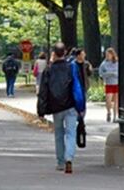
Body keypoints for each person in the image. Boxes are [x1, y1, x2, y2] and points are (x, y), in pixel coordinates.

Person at [37, 43, 86, 174]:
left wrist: (41, 110)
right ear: (64, 52)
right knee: (71, 133)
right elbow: (77, 87)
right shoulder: (72, 67)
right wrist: (81, 106)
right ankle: (69, 158)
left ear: (53, 53)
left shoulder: (48, 70)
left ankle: (60, 162)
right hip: (70, 106)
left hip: (56, 107)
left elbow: (43, 91)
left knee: (59, 134)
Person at [99, 48, 119, 122]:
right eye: (106, 55)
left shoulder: (117, 62)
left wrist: (115, 74)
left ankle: (115, 116)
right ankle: (108, 112)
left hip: (116, 83)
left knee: (116, 101)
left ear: (112, 55)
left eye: (108, 55)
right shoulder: (104, 64)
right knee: (108, 100)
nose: (107, 56)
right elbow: (101, 74)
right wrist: (107, 74)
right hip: (109, 84)